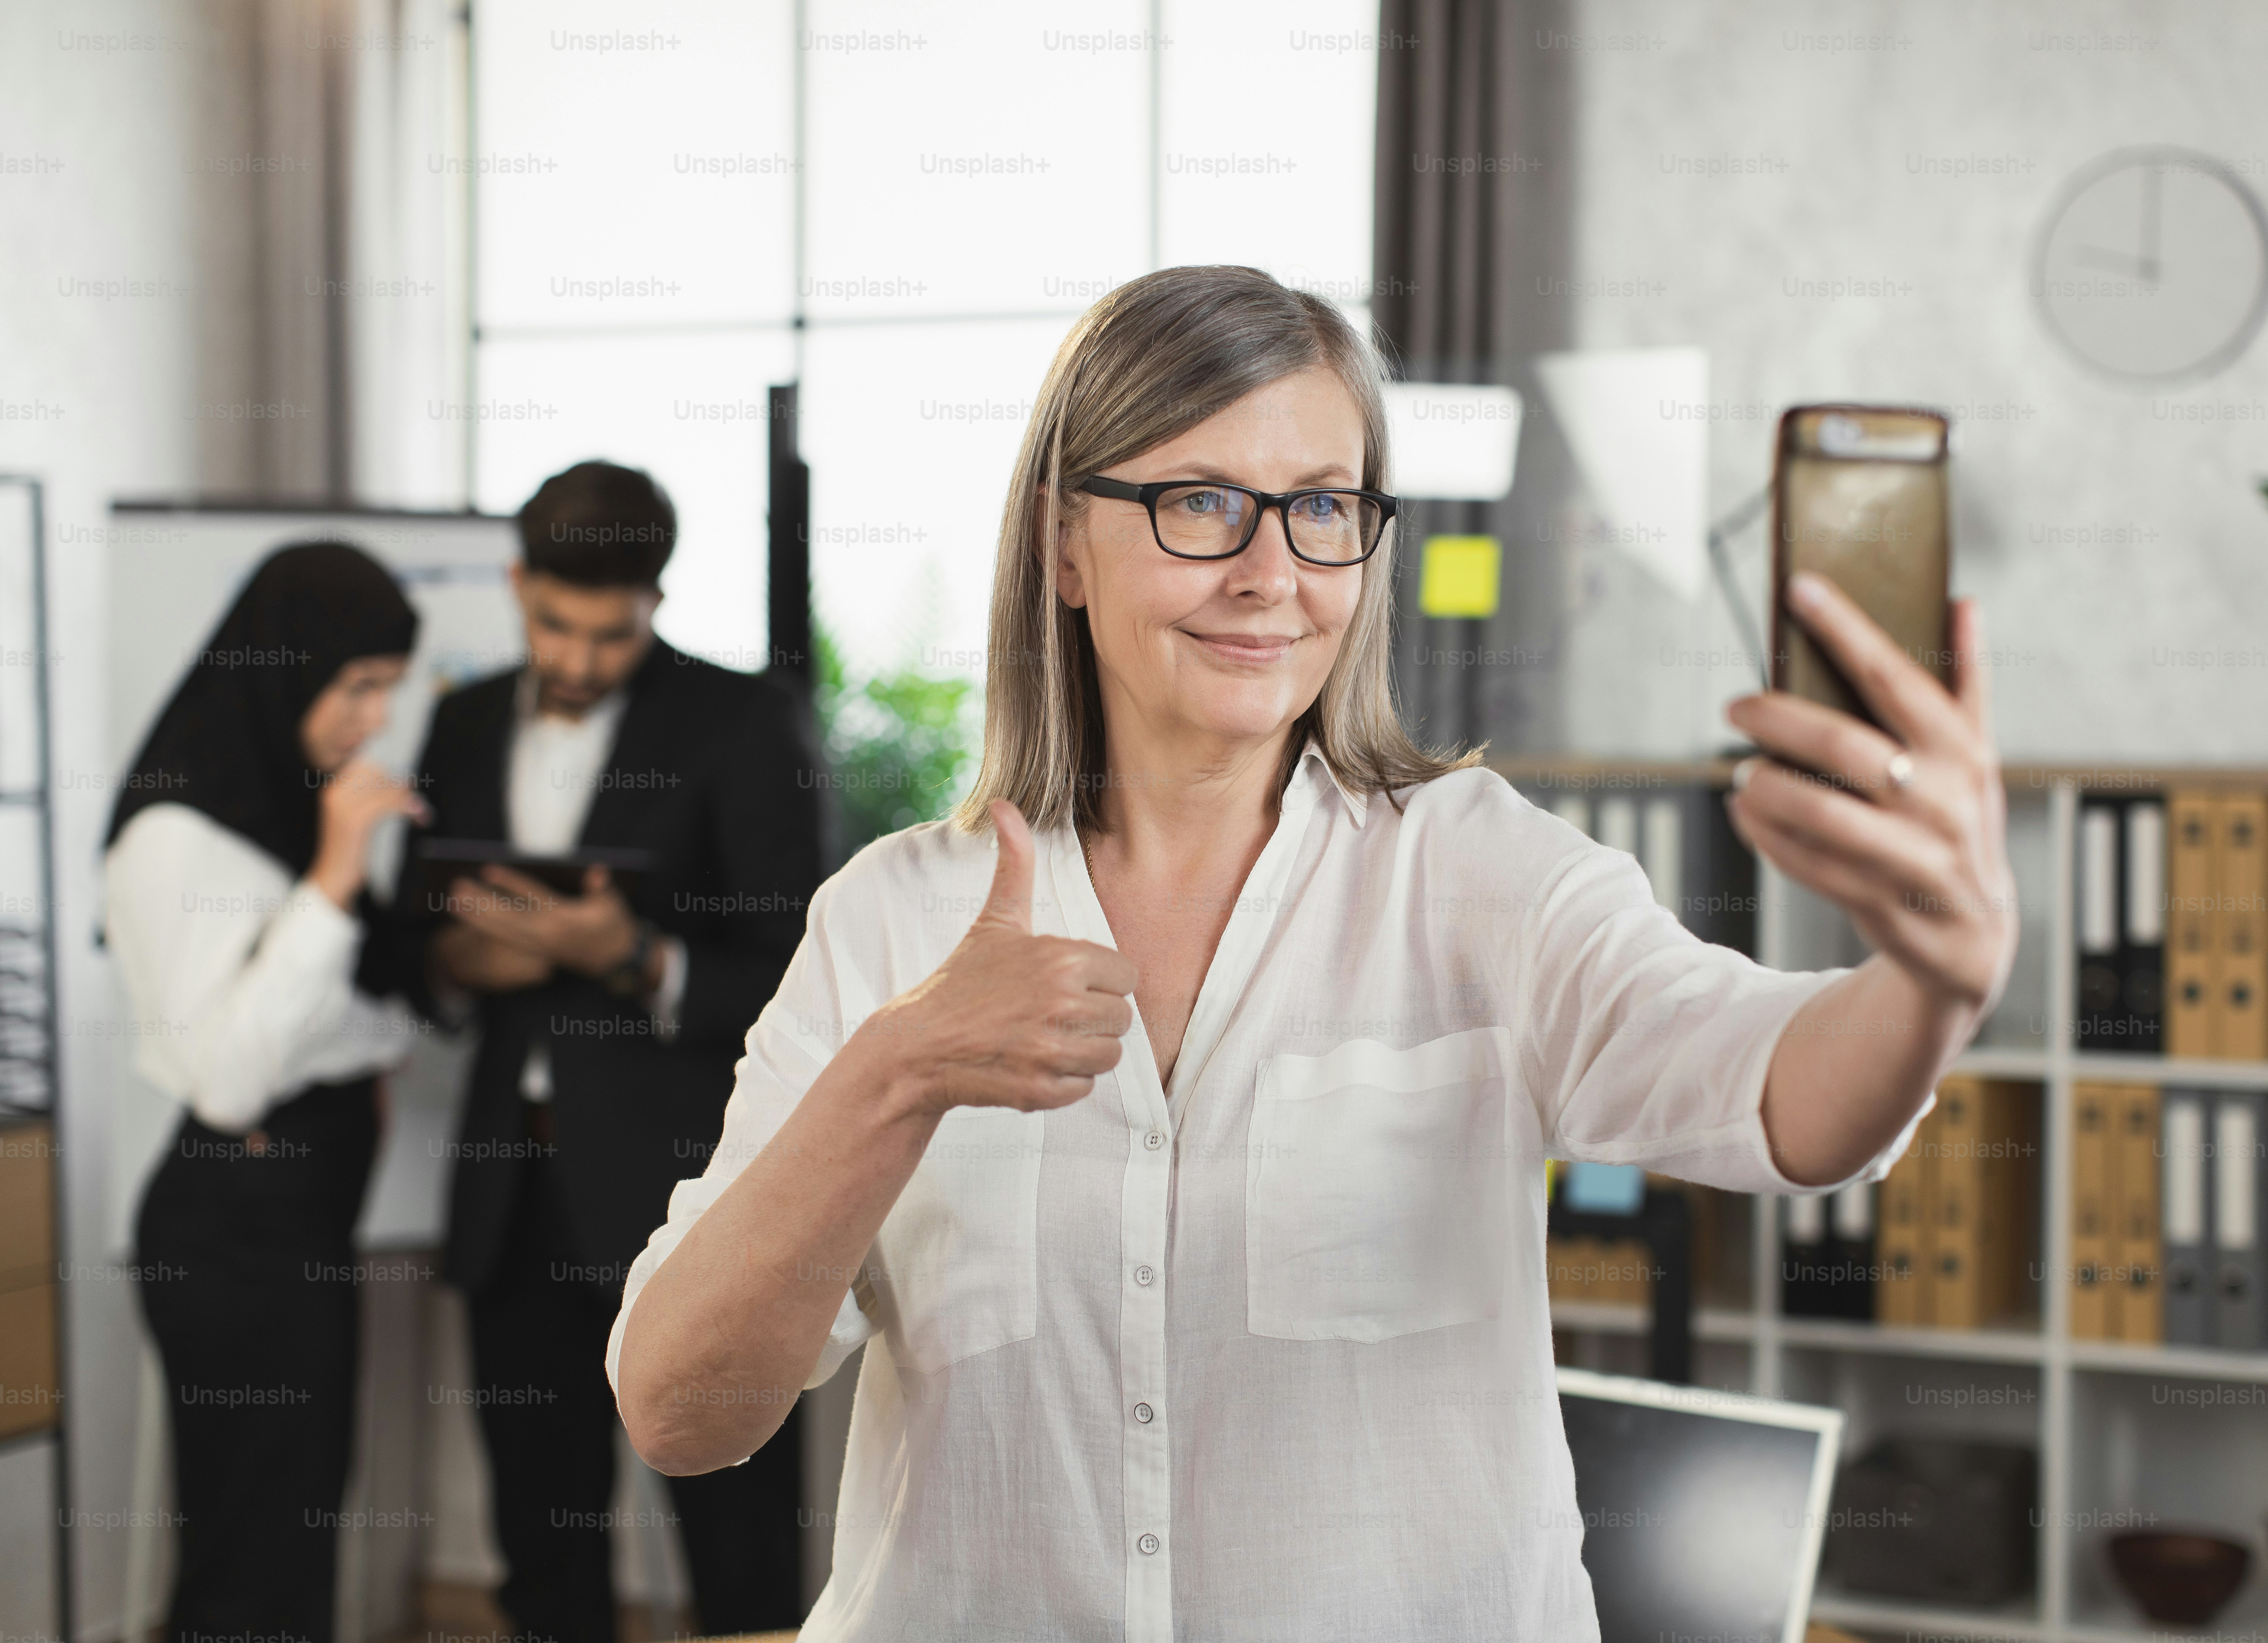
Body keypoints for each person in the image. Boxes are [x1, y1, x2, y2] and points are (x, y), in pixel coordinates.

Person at [607, 266, 2021, 1639]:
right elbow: (684, 1414)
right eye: (1201, 504)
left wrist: (1932, 980)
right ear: (1061, 545)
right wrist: (896, 1073)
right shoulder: (889, 921)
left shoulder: (1473, 870)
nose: (1272, 574)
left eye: (1323, 508)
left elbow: (1784, 1097)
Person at [406, 460, 820, 1640]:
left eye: (612, 633)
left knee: (736, 1537)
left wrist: (632, 955)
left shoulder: (746, 721)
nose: (581, 661)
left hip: (694, 1190)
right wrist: (460, 963)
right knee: (542, 1537)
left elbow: (799, 972)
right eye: (555, 626)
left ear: (658, 598)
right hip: (512, 1190)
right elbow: (413, 940)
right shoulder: (463, 717)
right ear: (515, 584)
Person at [108, 541, 428, 1642]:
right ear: (286, 668)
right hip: (232, 1232)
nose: (373, 720)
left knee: (288, 1548)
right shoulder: (175, 832)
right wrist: (339, 875)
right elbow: (233, 1079)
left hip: (295, 1225)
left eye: (388, 686)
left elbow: (350, 1021)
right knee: (250, 1567)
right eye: (358, 685)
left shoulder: (274, 810)